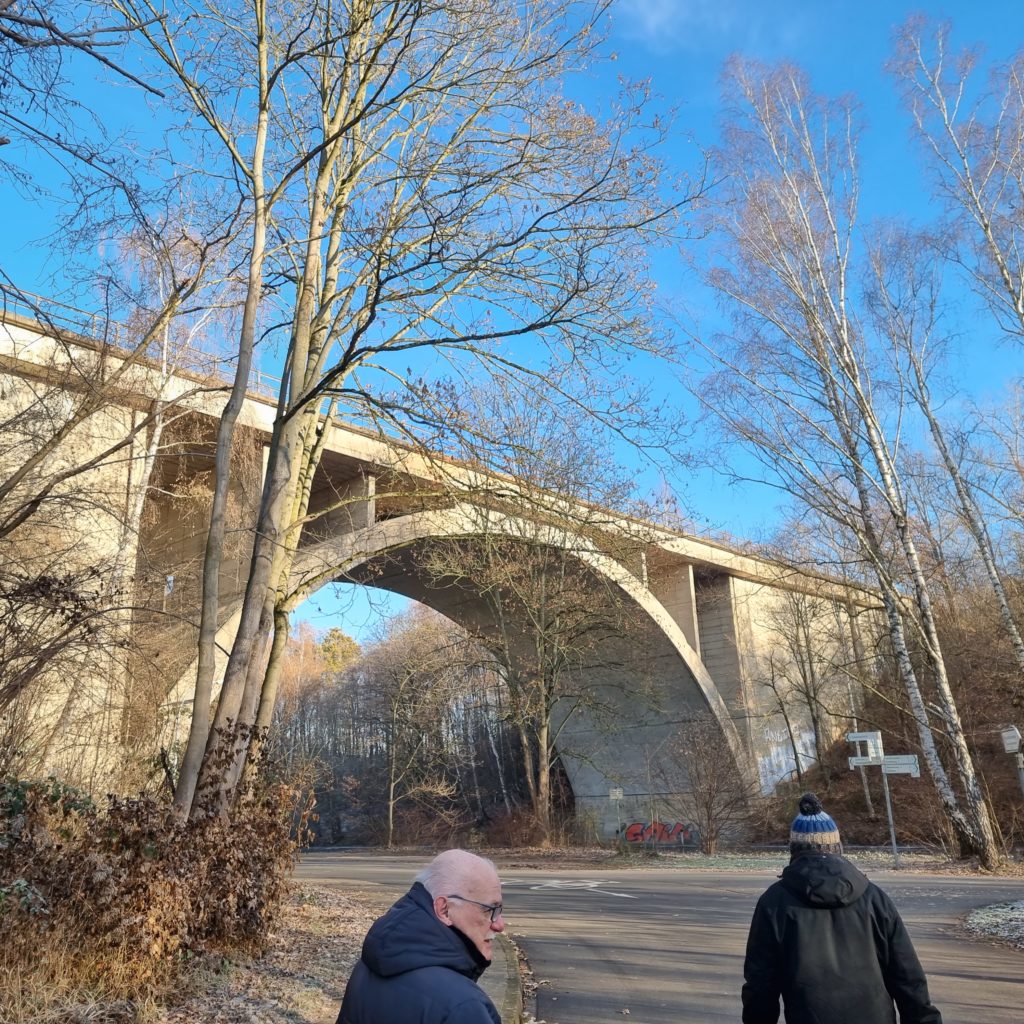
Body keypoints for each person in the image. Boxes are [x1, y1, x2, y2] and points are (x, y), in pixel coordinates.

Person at [741, 793, 943, 1024]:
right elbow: (907, 976)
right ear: (838, 848)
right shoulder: (874, 898)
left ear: (793, 850)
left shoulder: (774, 902)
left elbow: (761, 984)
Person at [336, 848, 505, 1024]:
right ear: (444, 910)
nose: (499, 925)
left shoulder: (365, 969)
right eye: (489, 910)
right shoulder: (463, 1006)